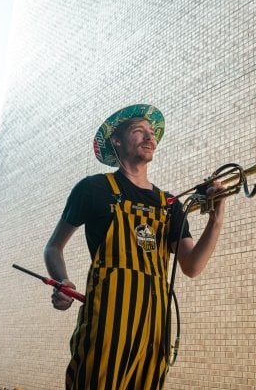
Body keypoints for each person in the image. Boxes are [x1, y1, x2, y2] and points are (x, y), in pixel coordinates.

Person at [44, 104, 226, 390]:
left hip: (154, 330)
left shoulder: (170, 204)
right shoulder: (93, 189)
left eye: (152, 133)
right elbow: (53, 247)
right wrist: (62, 281)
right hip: (106, 326)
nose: (149, 138)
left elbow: (192, 266)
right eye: (138, 131)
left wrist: (216, 218)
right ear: (116, 140)